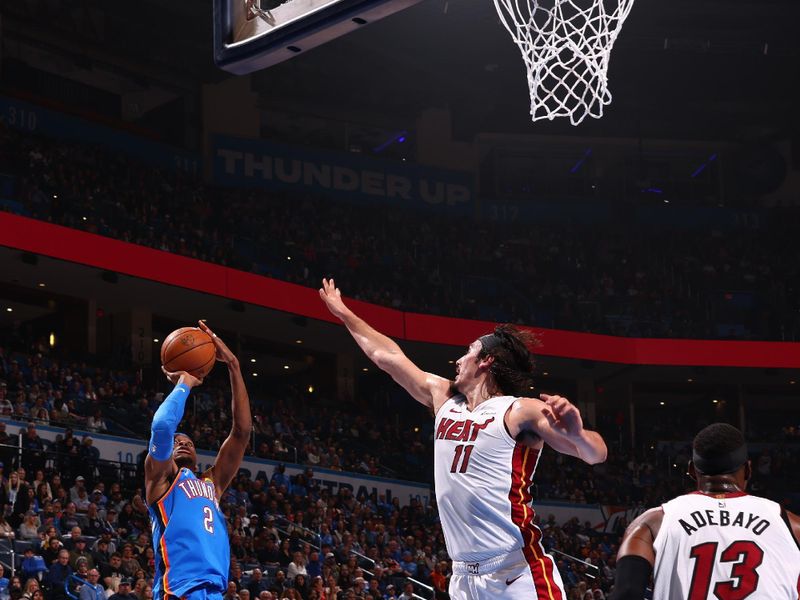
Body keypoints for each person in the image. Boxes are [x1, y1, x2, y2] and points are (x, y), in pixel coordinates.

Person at [319, 278, 607, 600]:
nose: (458, 360)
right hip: (463, 580)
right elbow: (387, 356)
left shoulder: (518, 410)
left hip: (516, 573)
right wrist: (344, 313)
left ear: (486, 361)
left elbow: (595, 454)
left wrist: (578, 434)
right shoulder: (443, 398)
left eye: (468, 352)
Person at [610, 423, 800, 599]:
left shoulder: (652, 522)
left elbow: (627, 591)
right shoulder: (790, 524)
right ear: (748, 470)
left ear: (692, 470)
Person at [145, 321, 252, 600]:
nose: (182, 443)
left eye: (188, 442)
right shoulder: (162, 480)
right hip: (178, 590)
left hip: (215, 591)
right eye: (177, 442)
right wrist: (185, 381)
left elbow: (241, 433)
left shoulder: (212, 483)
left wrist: (234, 366)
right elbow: (162, 427)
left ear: (196, 453)